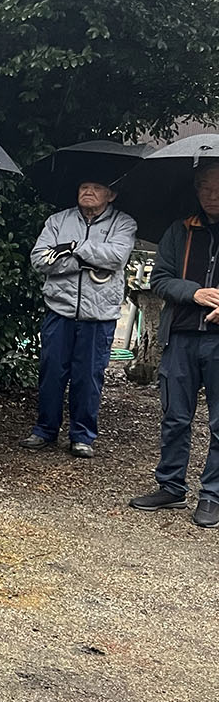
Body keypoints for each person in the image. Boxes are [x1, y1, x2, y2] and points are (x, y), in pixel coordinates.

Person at [127, 161, 219, 528]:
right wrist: (195, 293)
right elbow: (161, 279)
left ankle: (212, 494)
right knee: (175, 417)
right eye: (206, 188)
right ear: (196, 190)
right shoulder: (180, 230)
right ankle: (171, 486)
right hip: (180, 335)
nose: (212, 196)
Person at [19, 179, 137, 457]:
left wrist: (73, 247)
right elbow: (40, 260)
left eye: (96, 188)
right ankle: (44, 430)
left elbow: (117, 257)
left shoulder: (124, 223)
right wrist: (87, 260)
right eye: (84, 186)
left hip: (99, 314)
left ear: (111, 195)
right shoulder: (58, 220)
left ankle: (82, 436)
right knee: (51, 373)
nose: (88, 192)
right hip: (59, 309)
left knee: (89, 377)